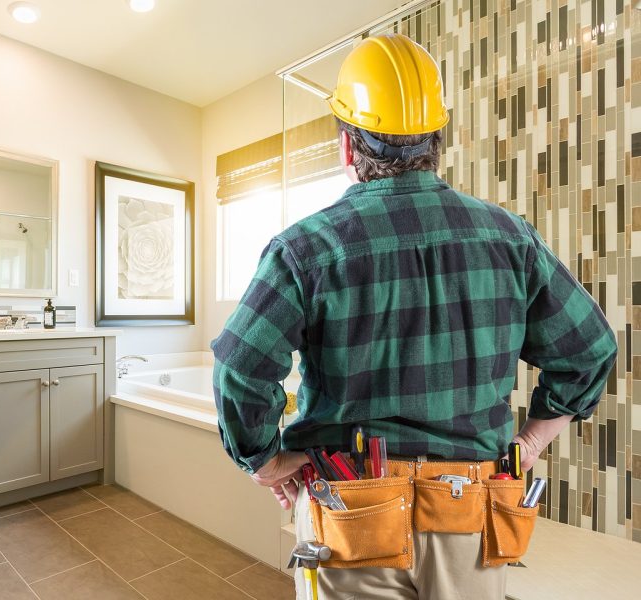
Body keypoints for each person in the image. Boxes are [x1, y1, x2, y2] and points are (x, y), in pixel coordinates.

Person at [211, 33, 616, 600]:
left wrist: (264, 458)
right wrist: (532, 441)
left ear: (349, 146)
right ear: (436, 142)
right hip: (471, 511)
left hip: (351, 510)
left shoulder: (304, 248)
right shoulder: (509, 238)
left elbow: (240, 364)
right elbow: (590, 350)